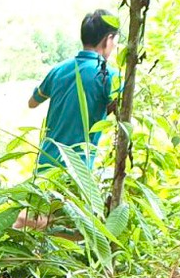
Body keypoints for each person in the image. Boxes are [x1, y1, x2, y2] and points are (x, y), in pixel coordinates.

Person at [30, 9, 119, 172]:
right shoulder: (110, 76)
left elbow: (32, 102)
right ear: (108, 40)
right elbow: (122, 111)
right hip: (77, 173)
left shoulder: (59, 69)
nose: (114, 46)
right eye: (115, 41)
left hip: (44, 165)